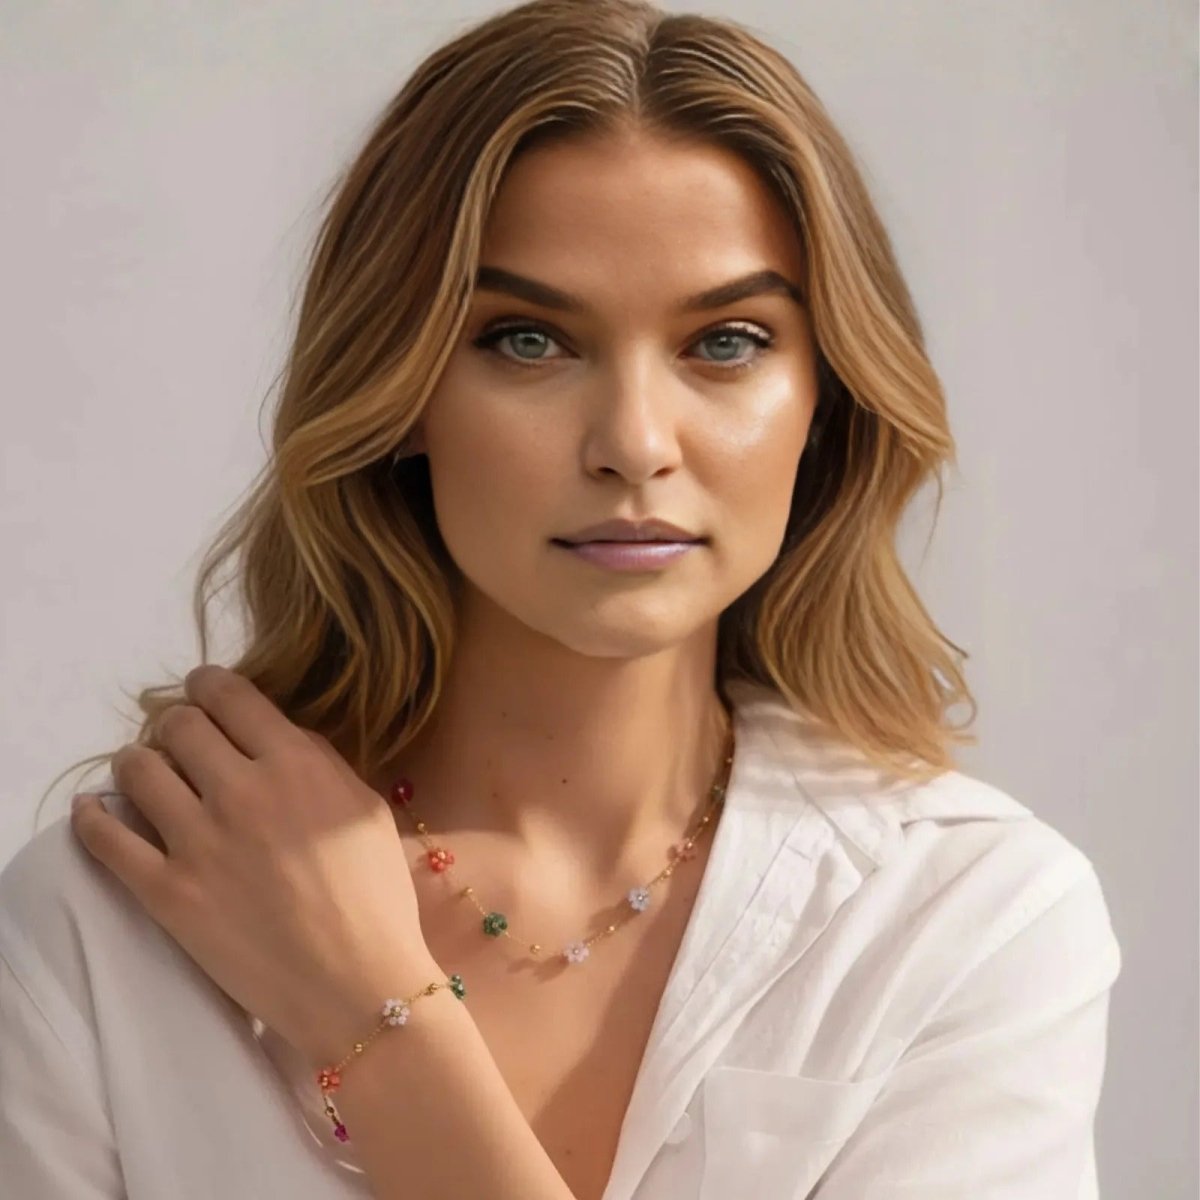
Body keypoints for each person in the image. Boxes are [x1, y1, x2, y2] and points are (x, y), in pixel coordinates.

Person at [0, 1, 1121, 1197]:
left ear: (826, 401)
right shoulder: (110, 923)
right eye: (528, 341)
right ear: (402, 391)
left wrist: (372, 1018)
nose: (634, 444)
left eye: (727, 341)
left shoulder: (966, 917)